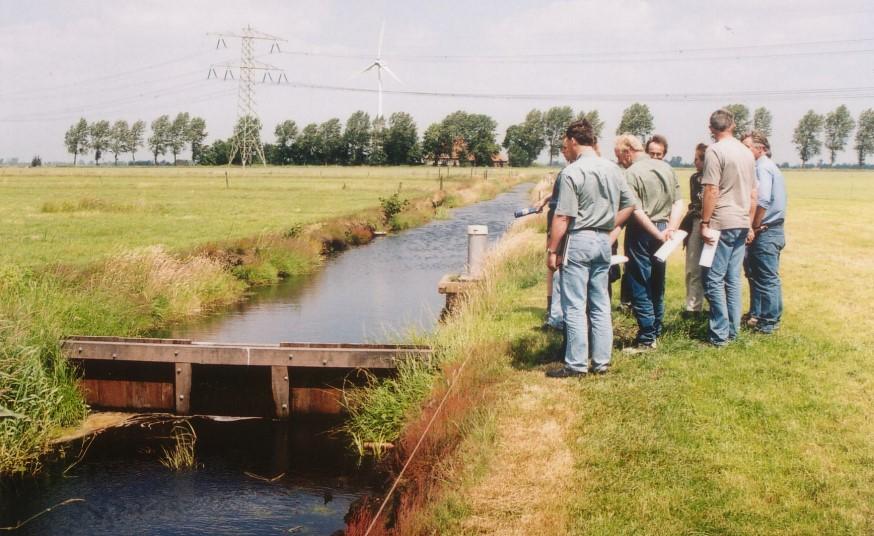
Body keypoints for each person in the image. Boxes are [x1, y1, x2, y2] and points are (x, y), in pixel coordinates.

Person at [545, 119, 636, 378]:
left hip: (579, 239)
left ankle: (576, 364)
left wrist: (553, 251)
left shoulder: (572, 172)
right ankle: (602, 361)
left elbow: (562, 217)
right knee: (600, 302)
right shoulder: (612, 168)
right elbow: (630, 204)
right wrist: (608, 226)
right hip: (602, 241)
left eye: (566, 144)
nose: (567, 149)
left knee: (574, 304)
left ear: (574, 141)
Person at [614, 134, 684, 351]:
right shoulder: (667, 168)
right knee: (657, 282)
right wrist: (670, 229)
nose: (620, 162)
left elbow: (636, 210)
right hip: (664, 228)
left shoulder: (631, 173)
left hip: (643, 231)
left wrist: (655, 233)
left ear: (627, 152)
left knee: (639, 281)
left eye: (620, 157)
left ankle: (646, 337)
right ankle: (656, 331)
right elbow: (679, 202)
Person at [700, 109, 758, 346]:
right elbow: (754, 193)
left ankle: (719, 334)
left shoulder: (714, 151)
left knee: (713, 278)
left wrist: (704, 222)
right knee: (732, 278)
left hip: (721, 221)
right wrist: (750, 222)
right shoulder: (747, 152)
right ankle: (733, 331)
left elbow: (711, 189)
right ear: (733, 125)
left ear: (711, 130)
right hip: (742, 220)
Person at [741, 131, 787, 333]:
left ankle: (769, 322)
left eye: (747, 147)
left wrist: (754, 226)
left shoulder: (762, 168)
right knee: (756, 275)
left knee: (767, 278)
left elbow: (763, 199)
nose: (744, 152)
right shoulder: (764, 167)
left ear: (761, 149)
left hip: (766, 231)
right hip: (771, 229)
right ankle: (757, 314)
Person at [534, 138, 579, 330]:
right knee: (553, 268)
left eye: (565, 148)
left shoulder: (574, 171)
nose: (563, 151)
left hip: (562, 223)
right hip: (555, 219)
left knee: (558, 265)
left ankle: (557, 317)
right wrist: (545, 198)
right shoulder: (568, 170)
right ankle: (553, 310)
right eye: (561, 148)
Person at [681, 143, 708, 316]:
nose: (695, 163)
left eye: (698, 159)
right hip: (697, 221)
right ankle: (693, 306)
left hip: (714, 223)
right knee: (693, 266)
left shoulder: (718, 178)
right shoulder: (695, 179)